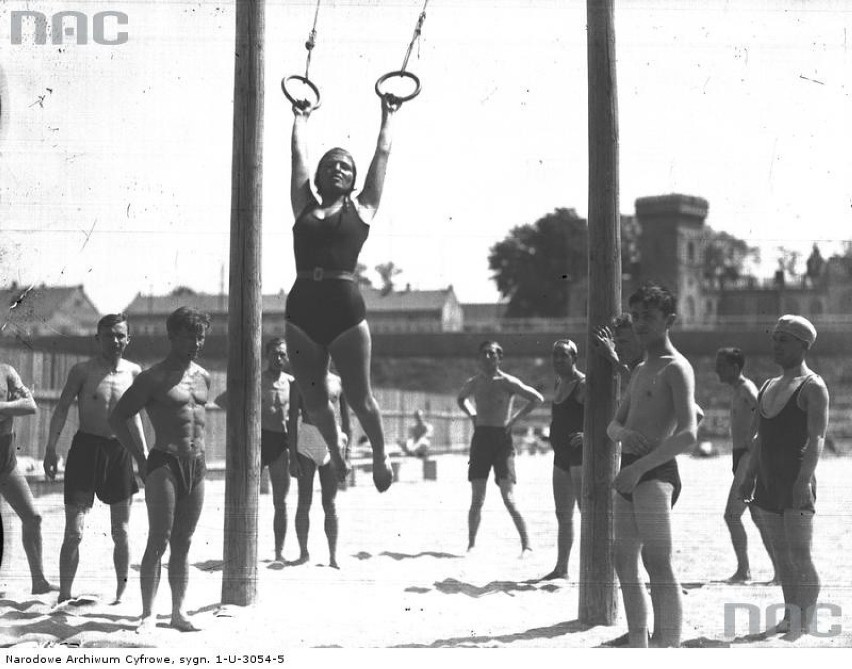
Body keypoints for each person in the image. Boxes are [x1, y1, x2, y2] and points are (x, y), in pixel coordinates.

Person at [285, 94, 400, 493]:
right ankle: (337, 451)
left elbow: (381, 155)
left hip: (345, 309)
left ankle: (382, 454)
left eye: (345, 167)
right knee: (314, 400)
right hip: (302, 309)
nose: (338, 169)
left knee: (360, 395)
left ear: (353, 179)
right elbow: (297, 156)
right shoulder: (303, 206)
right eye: (330, 165)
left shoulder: (363, 208)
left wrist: (387, 115)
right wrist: (300, 118)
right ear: (318, 177)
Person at [108, 307, 211, 632]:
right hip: (164, 462)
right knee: (159, 539)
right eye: (189, 336)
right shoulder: (153, 377)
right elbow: (118, 416)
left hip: (197, 465)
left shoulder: (204, 376)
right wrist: (139, 457)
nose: (196, 342)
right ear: (172, 336)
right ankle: (148, 614)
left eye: (200, 336)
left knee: (185, 540)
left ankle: (178, 612)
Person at [607, 283, 698, 648]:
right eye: (637, 316)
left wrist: (640, 467)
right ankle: (638, 643)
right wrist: (624, 435)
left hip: (655, 474)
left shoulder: (677, 367)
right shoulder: (642, 368)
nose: (641, 323)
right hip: (631, 470)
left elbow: (689, 434)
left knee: (657, 560)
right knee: (623, 560)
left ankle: (670, 645)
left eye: (650, 317)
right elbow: (612, 424)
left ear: (670, 320)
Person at [43, 313, 147, 604]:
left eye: (120, 335)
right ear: (98, 338)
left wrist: (144, 456)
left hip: (119, 450)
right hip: (85, 449)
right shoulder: (82, 370)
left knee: (121, 531)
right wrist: (51, 448)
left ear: (128, 339)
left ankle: (120, 594)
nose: (115, 340)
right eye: (109, 335)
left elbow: (134, 417)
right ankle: (64, 595)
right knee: (74, 532)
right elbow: (62, 408)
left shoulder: (134, 372)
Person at [738, 315, 829, 639]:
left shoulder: (813, 386)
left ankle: (807, 620)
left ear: (803, 346)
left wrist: (804, 480)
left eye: (784, 339)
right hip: (768, 481)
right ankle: (792, 616)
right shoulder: (767, 386)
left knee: (799, 554)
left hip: (796, 479)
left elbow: (817, 437)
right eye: (775, 338)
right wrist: (748, 476)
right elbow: (758, 439)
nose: (776, 345)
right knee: (781, 555)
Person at [457, 340, 543, 555]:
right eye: (484, 353)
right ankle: (471, 544)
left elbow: (536, 399)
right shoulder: (474, 382)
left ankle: (527, 544)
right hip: (481, 439)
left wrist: (514, 419)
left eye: (493, 354)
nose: (488, 357)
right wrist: (473, 415)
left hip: (502, 440)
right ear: (479, 357)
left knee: (509, 498)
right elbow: (461, 399)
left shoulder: (507, 381)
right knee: (477, 498)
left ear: (499, 357)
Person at [215, 337, 294, 564]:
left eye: (282, 354)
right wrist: (244, 422)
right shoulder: (255, 380)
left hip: (282, 442)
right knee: (248, 499)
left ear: (287, 357)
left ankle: (279, 552)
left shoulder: (292, 382)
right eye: (274, 354)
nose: (278, 358)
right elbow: (223, 401)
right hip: (257, 440)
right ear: (266, 356)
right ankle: (243, 551)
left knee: (281, 501)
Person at [715, 347, 778, 583]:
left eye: (721, 365)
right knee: (759, 518)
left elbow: (765, 412)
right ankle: (778, 572)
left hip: (748, 458)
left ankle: (744, 571)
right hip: (740, 456)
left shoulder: (747, 389)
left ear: (734, 367)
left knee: (732, 515)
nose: (716, 370)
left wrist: (756, 443)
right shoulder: (737, 391)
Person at [0, 362, 54, 594]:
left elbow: (30, 405)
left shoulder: (6, 371)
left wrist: (1, 407)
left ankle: (39, 581)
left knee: (33, 517)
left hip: (5, 458)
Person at [288, 370, 349, 569]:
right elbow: (291, 421)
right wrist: (293, 457)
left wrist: (345, 455)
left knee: (330, 503)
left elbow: (346, 419)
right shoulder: (299, 382)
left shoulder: (339, 382)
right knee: (304, 500)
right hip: (307, 438)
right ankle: (303, 552)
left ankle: (333, 556)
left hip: (331, 440)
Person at [541, 339, 585, 581]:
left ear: (574, 358)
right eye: (555, 355)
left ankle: (591, 567)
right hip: (560, 457)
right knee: (563, 514)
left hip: (579, 457)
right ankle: (562, 568)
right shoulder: (559, 382)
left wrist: (588, 435)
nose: (558, 360)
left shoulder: (583, 384)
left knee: (585, 513)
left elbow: (608, 412)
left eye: (564, 356)